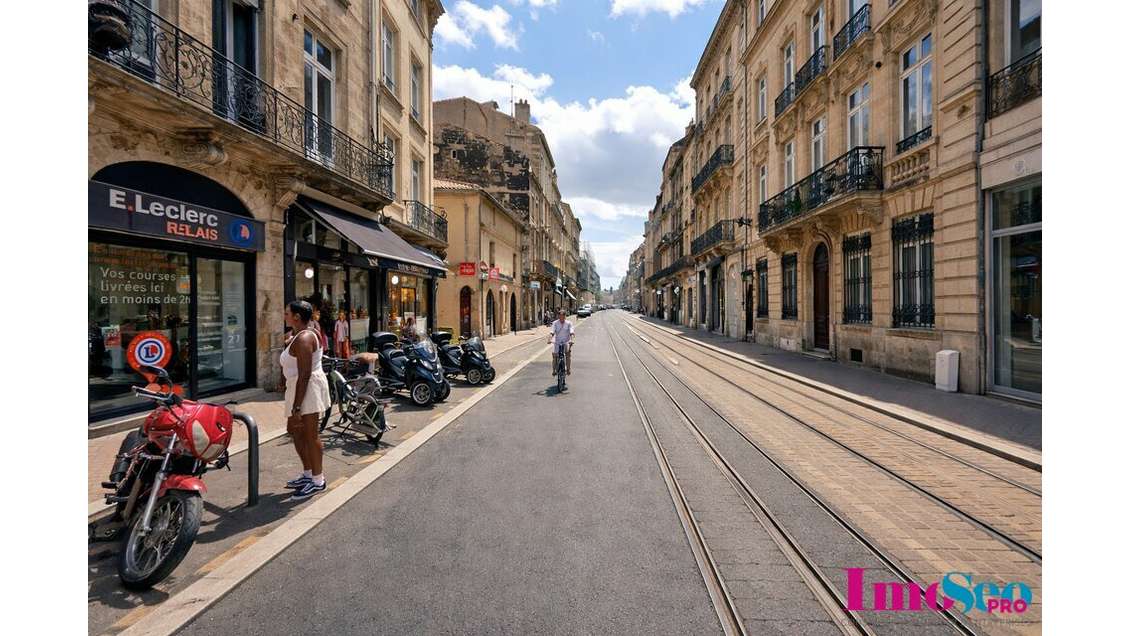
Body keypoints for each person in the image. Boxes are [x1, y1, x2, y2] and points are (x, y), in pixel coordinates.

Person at [281, 300, 332, 501]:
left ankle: (318, 481)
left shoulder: (304, 339)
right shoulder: (298, 335)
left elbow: (304, 374)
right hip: (298, 388)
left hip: (306, 390)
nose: (284, 315)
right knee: (295, 431)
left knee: (310, 434)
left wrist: (297, 406)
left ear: (296, 316)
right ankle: (308, 473)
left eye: (287, 312)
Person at [547, 308, 574, 376]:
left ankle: (568, 369)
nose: (561, 318)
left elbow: (571, 333)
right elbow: (552, 332)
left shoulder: (569, 323)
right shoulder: (555, 323)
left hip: (566, 341)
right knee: (555, 355)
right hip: (557, 342)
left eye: (563, 316)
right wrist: (549, 339)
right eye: (560, 316)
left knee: (567, 354)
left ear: (565, 316)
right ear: (558, 316)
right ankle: (554, 370)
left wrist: (571, 340)